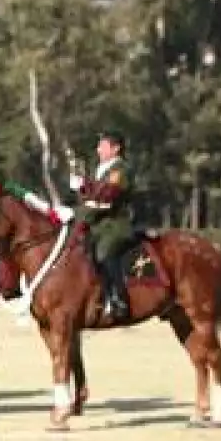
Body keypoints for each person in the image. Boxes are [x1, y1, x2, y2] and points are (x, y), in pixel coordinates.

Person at [72, 129, 135, 320]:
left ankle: (118, 298)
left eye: (103, 145)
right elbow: (91, 196)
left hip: (115, 225)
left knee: (104, 252)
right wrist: (82, 186)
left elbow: (106, 199)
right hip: (97, 225)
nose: (98, 149)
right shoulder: (100, 170)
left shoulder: (120, 170)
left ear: (115, 149)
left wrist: (76, 214)